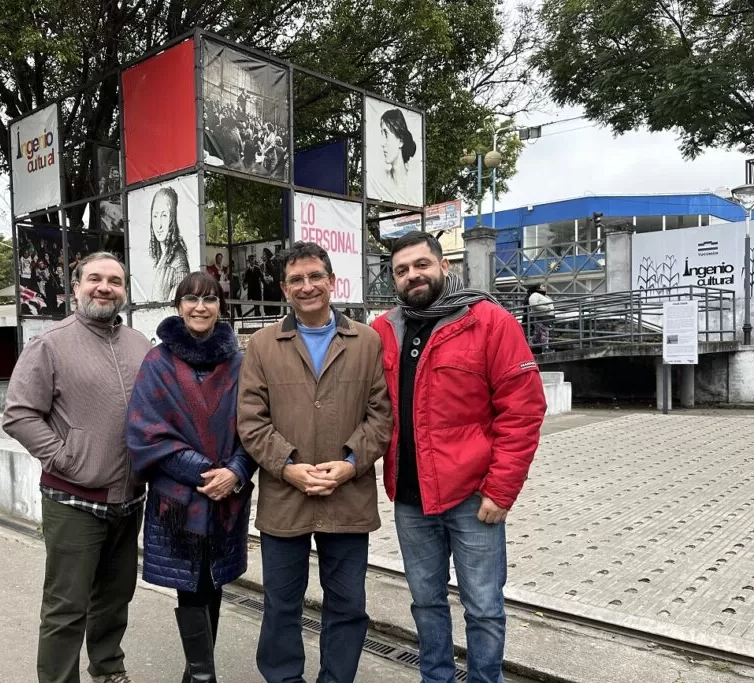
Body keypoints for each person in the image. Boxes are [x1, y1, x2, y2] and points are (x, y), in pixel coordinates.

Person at [370, 232, 547, 683]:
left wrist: (501, 491)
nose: (413, 275)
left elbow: (523, 410)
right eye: (402, 270)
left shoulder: (489, 322)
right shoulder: (384, 331)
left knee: (484, 607)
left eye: (421, 265)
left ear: (444, 266)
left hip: (473, 498)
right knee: (425, 603)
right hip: (411, 498)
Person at [237, 241, 392, 683]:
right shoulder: (263, 345)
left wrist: (349, 463)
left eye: (315, 277)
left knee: (347, 604)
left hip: (348, 495)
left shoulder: (366, 341)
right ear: (284, 289)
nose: (307, 287)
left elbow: (381, 416)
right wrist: (287, 466)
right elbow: (250, 421)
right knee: (282, 604)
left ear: (332, 281)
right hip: (285, 497)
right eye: (296, 280)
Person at [3, 252, 151, 683]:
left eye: (115, 281)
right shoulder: (50, 344)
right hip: (74, 499)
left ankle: (107, 669)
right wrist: (65, 457)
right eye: (95, 279)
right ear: (76, 287)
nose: (105, 287)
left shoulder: (140, 345)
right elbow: (19, 414)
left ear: (124, 291)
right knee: (67, 605)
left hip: (129, 498)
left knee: (115, 595)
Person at [127, 272, 257, 683]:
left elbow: (258, 426)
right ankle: (201, 675)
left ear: (222, 307)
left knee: (213, 581)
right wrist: (208, 473)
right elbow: (145, 432)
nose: (200, 307)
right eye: (191, 299)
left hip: (227, 497)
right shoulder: (158, 362)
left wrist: (236, 471)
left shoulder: (240, 363)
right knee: (191, 584)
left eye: (210, 299)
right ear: (178, 305)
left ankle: (197, 673)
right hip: (178, 501)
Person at [149, 186, 191, 302]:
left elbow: (177, 310)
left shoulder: (178, 264)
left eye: (164, 215)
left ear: (173, 218)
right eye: (155, 216)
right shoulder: (160, 256)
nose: (159, 225)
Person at [376, 108, 418, 205]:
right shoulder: (382, 180)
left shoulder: (413, 183)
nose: (382, 143)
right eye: (382, 134)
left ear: (401, 141)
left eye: (386, 134)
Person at [525, 283, 554, 353]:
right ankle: (546, 348)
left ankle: (530, 348)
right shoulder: (534, 295)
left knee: (538, 334)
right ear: (538, 289)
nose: (545, 287)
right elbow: (534, 305)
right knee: (544, 332)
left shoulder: (544, 296)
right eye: (542, 286)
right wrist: (546, 309)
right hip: (539, 317)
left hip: (545, 317)